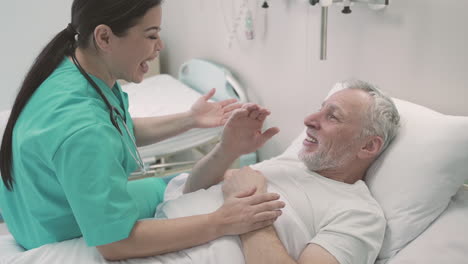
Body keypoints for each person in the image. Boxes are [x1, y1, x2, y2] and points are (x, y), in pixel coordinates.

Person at [0, 0, 284, 261]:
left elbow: (119, 127)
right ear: (104, 37)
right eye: (151, 35)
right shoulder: (84, 129)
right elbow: (116, 244)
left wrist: (190, 119)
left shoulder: (75, 70)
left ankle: (224, 153)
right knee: (180, 189)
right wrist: (224, 221)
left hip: (32, 214)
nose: (160, 45)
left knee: (175, 185)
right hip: (56, 231)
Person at [150, 80, 400, 264]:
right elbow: (192, 190)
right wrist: (227, 150)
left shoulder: (360, 214)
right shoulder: (290, 164)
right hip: (147, 242)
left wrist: (250, 205)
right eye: (320, 109)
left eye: (332, 117)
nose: (309, 119)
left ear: (368, 145)